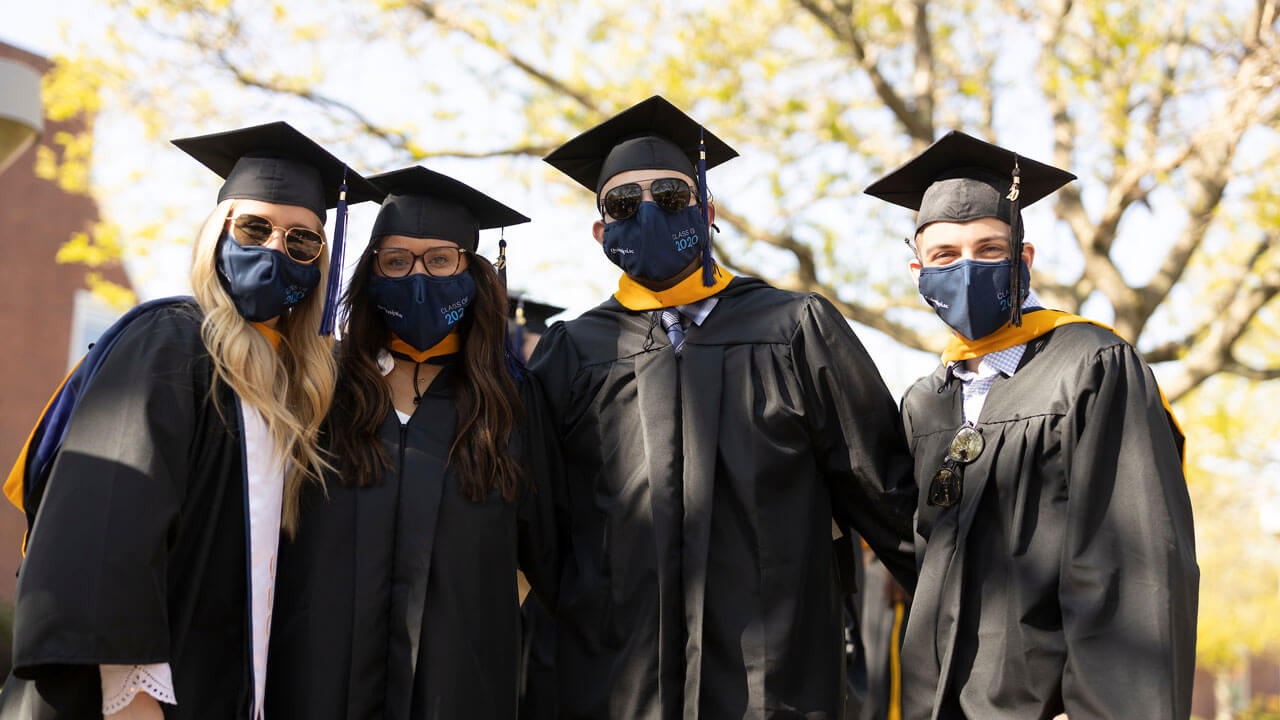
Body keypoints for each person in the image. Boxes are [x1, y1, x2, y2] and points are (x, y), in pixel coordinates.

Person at [530, 95, 918, 719]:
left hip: (774, 679)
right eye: (624, 204)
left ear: (707, 212)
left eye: (672, 196)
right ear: (602, 231)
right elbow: (540, 531)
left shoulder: (794, 328)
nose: (649, 212)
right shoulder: (572, 353)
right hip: (618, 682)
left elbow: (888, 496)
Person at [0, 121, 379, 719]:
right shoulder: (171, 343)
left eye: (302, 241)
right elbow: (108, 528)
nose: (276, 248)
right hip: (127, 703)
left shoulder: (294, 391)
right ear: (217, 233)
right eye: (255, 228)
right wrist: (133, 701)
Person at [864, 130, 1199, 720]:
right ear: (918, 270)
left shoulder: (1092, 367)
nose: (966, 267)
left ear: (1024, 259)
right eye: (945, 255)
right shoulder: (924, 403)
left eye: (989, 249)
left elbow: (1132, 564)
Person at [264, 165, 561, 720]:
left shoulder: (512, 406)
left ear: (473, 274)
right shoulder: (317, 387)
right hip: (310, 687)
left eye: (441, 260)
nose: (418, 277)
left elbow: (555, 562)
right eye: (396, 261)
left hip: (460, 693)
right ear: (370, 273)